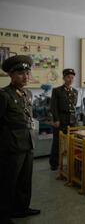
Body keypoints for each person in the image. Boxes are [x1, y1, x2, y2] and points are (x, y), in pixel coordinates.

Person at [0, 55, 41, 224]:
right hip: (11, 146)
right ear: (11, 75)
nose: (25, 77)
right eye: (20, 73)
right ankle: (3, 215)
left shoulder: (27, 93)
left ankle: (22, 208)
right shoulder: (4, 95)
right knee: (8, 182)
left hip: (28, 143)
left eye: (27, 73)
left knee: (25, 180)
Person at [49, 68, 78, 171]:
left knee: (73, 142)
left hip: (72, 120)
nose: (70, 79)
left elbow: (74, 106)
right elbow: (53, 107)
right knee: (57, 142)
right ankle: (54, 163)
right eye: (68, 77)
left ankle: (73, 162)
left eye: (72, 77)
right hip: (61, 119)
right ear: (64, 78)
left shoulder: (75, 91)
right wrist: (56, 119)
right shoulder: (57, 91)